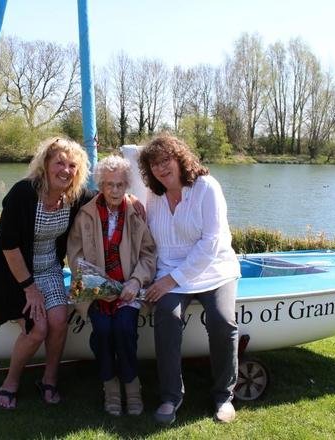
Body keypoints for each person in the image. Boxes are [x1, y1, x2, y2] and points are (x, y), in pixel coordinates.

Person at [0, 136, 93, 410]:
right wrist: (29, 288)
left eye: (72, 166)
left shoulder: (75, 197)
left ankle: (49, 379)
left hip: (50, 269)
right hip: (13, 273)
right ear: (45, 164)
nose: (65, 171)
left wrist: (128, 198)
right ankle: (11, 382)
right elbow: (8, 246)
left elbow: (105, 198)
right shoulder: (23, 193)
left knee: (58, 321)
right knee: (37, 328)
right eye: (59, 163)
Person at [139, 135, 241, 424]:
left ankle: (223, 396)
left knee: (222, 321)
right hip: (169, 271)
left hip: (214, 269)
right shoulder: (153, 195)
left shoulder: (207, 188)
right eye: (154, 164)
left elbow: (211, 242)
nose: (160, 168)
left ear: (180, 159)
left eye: (165, 160)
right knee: (167, 319)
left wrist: (172, 280)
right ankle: (171, 397)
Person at [67, 155, 156, 416]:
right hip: (95, 291)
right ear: (101, 186)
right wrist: (98, 287)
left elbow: (148, 254)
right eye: (109, 185)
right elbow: (75, 255)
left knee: (125, 329)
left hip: (129, 289)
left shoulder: (135, 213)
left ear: (126, 185)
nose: (115, 190)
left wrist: (136, 280)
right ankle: (111, 386)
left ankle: (132, 385)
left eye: (119, 185)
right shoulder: (86, 214)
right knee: (104, 331)